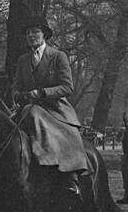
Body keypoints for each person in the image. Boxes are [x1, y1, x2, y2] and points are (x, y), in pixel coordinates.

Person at [10, 17, 87, 201]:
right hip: (28, 107)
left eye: (35, 32)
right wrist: (20, 95)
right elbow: (15, 87)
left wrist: (43, 93)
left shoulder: (58, 56)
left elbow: (68, 87)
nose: (31, 36)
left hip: (55, 109)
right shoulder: (22, 60)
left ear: (44, 35)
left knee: (69, 135)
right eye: (28, 33)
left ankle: (72, 176)